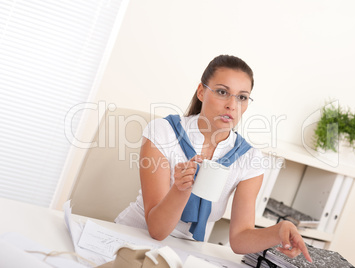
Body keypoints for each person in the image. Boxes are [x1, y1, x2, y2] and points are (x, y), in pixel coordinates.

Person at [115, 55, 312, 262]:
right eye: (222, 92)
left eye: (242, 97)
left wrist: (278, 231)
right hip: (133, 242)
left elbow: (239, 239)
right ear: (201, 91)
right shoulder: (163, 132)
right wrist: (180, 190)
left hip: (186, 255)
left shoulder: (249, 158)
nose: (232, 105)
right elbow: (157, 230)